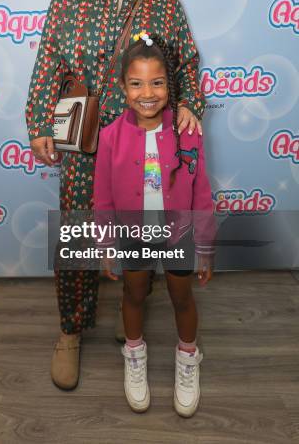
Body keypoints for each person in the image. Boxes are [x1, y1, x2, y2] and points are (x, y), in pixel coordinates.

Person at [25, 0, 206, 391]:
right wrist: (40, 121)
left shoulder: (167, 4)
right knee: (81, 232)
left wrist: (189, 102)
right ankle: (69, 331)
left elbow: (186, 66)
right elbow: (49, 62)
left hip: (145, 142)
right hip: (86, 137)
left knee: (143, 233)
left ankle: (137, 318)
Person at [93, 34, 215, 415]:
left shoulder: (187, 131)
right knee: (133, 294)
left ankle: (188, 357)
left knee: (182, 297)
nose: (148, 92)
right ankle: (134, 356)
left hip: (178, 234)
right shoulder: (110, 136)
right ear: (122, 86)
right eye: (137, 82)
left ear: (169, 85)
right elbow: (103, 197)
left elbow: (201, 191)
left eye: (157, 82)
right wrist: (106, 243)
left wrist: (205, 246)